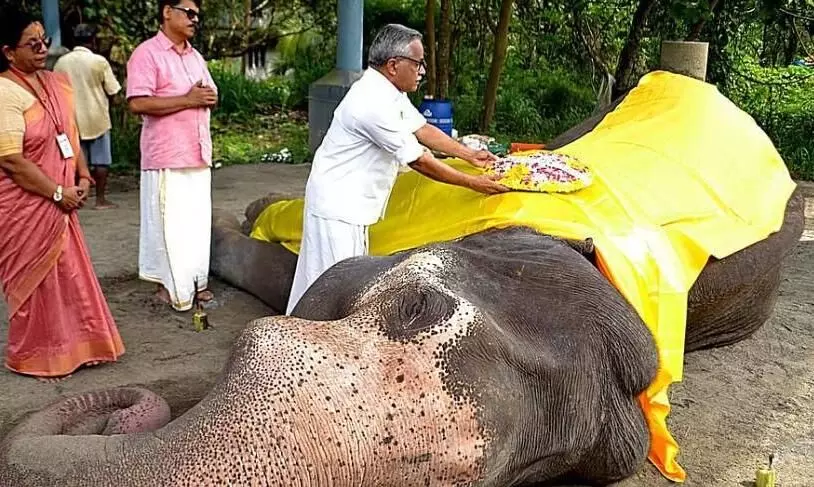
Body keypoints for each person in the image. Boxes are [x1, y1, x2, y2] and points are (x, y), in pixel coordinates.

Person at [286, 23, 509, 315]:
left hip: (351, 205)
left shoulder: (389, 93)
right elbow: (419, 160)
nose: (423, 71)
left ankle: (299, 335)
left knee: (323, 280)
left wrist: (469, 155)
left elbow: (422, 128)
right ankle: (310, 343)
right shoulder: (370, 103)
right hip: (338, 207)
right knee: (333, 286)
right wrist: (473, 183)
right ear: (393, 65)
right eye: (418, 63)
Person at [0, 9, 125, 381]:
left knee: (69, 275)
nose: (42, 49)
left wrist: (83, 175)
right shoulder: (5, 91)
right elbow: (11, 160)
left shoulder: (55, 83)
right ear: (8, 52)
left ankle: (77, 349)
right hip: (25, 205)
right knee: (35, 282)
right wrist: (57, 192)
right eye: (33, 44)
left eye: (45, 41)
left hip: (61, 198)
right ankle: (34, 356)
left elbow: (68, 137)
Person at [126, 0, 218, 312]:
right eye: (189, 13)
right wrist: (187, 99)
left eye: (197, 15)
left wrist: (203, 97)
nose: (195, 20)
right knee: (169, 225)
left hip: (196, 151)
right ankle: (170, 288)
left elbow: (209, 93)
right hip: (167, 154)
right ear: (167, 12)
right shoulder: (147, 53)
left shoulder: (195, 56)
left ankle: (196, 283)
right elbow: (138, 103)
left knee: (195, 224)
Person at [54, 23, 122, 210]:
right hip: (97, 116)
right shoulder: (98, 61)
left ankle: (77, 198)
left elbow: (56, 91)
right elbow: (113, 90)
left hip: (72, 117)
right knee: (101, 161)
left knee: (75, 160)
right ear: (92, 41)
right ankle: (100, 199)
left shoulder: (61, 63)